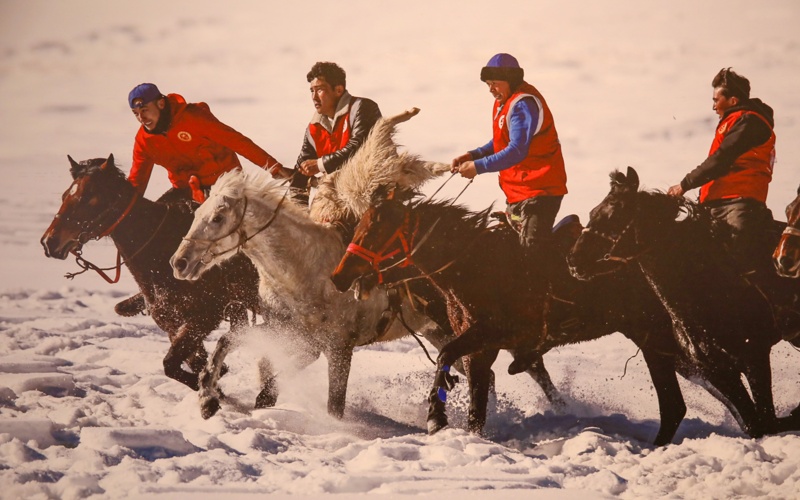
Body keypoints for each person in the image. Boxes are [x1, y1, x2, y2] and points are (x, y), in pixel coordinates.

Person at [116, 83, 287, 317]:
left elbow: (237, 141)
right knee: (158, 228)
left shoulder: (193, 118)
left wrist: (275, 168)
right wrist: (121, 213)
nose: (141, 117)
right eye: (136, 114)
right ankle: (153, 292)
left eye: (144, 110)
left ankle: (252, 291)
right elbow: (137, 182)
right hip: (187, 191)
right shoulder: (144, 140)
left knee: (231, 238)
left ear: (161, 103)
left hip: (225, 186)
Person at [451, 53, 568, 375]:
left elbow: (518, 149)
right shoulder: (505, 102)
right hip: (518, 193)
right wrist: (474, 153)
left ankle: (544, 326)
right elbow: (500, 141)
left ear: (510, 80)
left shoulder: (524, 103)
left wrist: (478, 167)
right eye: (487, 85)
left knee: (531, 256)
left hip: (541, 192)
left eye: (494, 83)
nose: (490, 90)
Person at [667, 68, 800, 339]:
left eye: (717, 99)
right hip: (715, 204)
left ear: (733, 100)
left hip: (739, 204)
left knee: (744, 251)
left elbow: (722, 159)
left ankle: (783, 309)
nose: (713, 105)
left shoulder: (751, 122)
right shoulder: (734, 121)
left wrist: (684, 184)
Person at [290, 62, 382, 206]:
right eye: (311, 91)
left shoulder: (363, 108)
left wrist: (320, 164)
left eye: (319, 90)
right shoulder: (313, 128)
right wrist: (299, 215)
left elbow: (358, 148)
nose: (314, 97)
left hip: (374, 196)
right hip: (337, 202)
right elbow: (300, 175)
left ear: (338, 90)